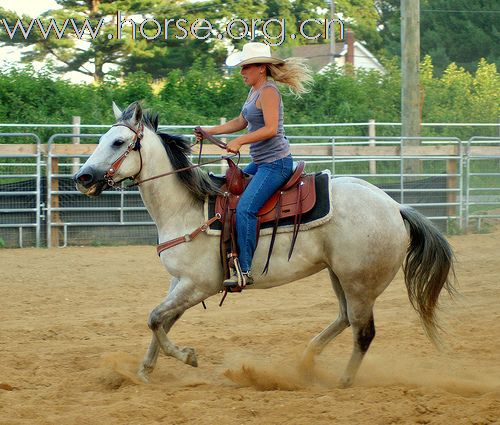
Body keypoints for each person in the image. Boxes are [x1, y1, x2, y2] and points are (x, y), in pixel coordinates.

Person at [195, 42, 313, 291]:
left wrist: (240, 141)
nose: (242, 72)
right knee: (227, 192)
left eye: (246, 67)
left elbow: (270, 129)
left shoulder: (269, 92)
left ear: (261, 68)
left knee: (246, 208)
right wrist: (209, 131)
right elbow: (241, 120)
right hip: (261, 163)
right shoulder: (254, 91)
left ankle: (245, 270)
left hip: (276, 164)